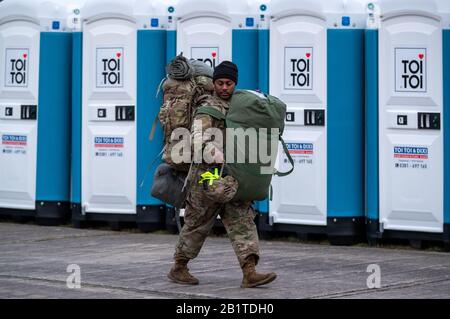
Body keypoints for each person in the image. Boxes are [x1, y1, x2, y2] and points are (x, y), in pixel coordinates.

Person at [167, 61, 277, 288]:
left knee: (242, 219)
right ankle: (179, 266)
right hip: (205, 176)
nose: (224, 87)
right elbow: (197, 136)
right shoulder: (208, 106)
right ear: (214, 83)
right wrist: (209, 149)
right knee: (198, 223)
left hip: (230, 174)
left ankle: (250, 271)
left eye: (229, 83)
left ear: (235, 84)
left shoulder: (240, 106)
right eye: (220, 83)